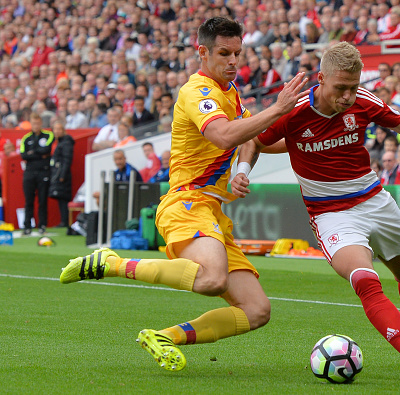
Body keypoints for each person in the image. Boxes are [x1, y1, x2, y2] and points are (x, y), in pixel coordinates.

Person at [60, 17, 309, 372]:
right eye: (225, 53)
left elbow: (253, 137)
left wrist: (313, 142)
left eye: (238, 53)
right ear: (202, 52)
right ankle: (111, 263)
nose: (234, 61)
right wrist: (278, 108)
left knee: (256, 310)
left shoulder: (230, 92)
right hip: (186, 202)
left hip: (213, 212)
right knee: (211, 279)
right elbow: (225, 136)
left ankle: (164, 337)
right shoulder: (197, 91)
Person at [233, 42, 400, 381]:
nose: (348, 96)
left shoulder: (364, 101)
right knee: (366, 280)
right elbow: (254, 139)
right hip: (331, 214)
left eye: (353, 87)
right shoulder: (293, 111)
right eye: (340, 88)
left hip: (375, 201)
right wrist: (242, 171)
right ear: (320, 79)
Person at [20, 112, 55, 235]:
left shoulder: (48, 135)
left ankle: (42, 225)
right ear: (31, 124)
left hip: (43, 171)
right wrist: (39, 154)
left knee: (42, 200)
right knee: (28, 200)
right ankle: (27, 226)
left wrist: (32, 153)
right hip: (29, 172)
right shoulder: (26, 138)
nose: (35, 125)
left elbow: (47, 149)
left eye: (37, 123)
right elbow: (23, 155)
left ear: (41, 123)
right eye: (33, 123)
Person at [49, 120, 74, 227]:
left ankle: (65, 221)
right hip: (58, 173)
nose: (57, 131)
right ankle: (63, 220)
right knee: (60, 198)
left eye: (59, 129)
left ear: (63, 131)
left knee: (63, 198)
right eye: (55, 129)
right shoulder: (57, 142)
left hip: (62, 175)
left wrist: (62, 175)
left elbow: (67, 160)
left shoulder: (66, 143)